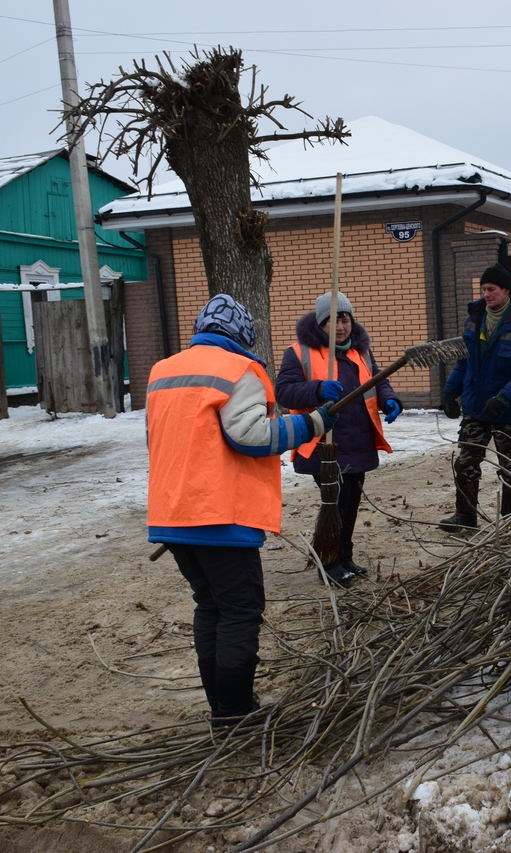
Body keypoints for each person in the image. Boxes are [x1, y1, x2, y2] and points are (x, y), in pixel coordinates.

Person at [147, 293, 337, 723]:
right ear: (243, 335)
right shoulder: (239, 369)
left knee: (210, 605)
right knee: (239, 610)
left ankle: (221, 704)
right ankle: (235, 711)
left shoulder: (163, 371)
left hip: (172, 512)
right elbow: (249, 435)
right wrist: (313, 422)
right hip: (219, 515)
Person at [275, 292, 402, 585]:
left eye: (344, 319)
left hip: (358, 439)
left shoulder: (361, 351)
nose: (340, 326)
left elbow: (377, 381)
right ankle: (329, 560)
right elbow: (284, 391)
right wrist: (317, 389)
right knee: (337, 500)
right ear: (320, 324)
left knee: (352, 498)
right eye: (332, 320)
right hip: (323, 443)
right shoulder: (299, 352)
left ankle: (345, 556)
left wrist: (390, 399)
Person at [439, 263, 511, 531]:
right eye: (484, 289)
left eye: (492, 289)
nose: (486, 294)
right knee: (466, 462)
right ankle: (465, 517)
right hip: (476, 407)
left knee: (510, 466)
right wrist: (451, 391)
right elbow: (465, 361)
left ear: (506, 291)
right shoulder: (474, 319)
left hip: (508, 410)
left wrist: (504, 398)